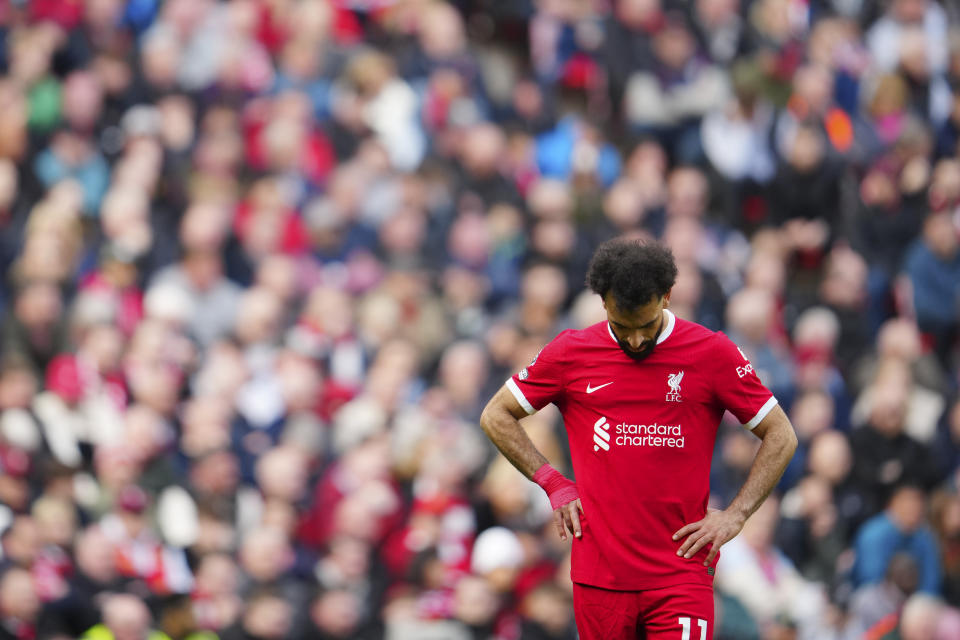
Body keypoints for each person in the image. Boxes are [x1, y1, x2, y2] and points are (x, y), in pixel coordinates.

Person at [479, 238, 798, 639]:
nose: (634, 340)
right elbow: (496, 414)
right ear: (604, 303)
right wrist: (553, 482)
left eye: (645, 326)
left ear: (667, 296)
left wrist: (736, 515)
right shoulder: (570, 353)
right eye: (621, 326)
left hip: (681, 573)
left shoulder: (711, 352)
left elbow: (781, 434)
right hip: (600, 576)